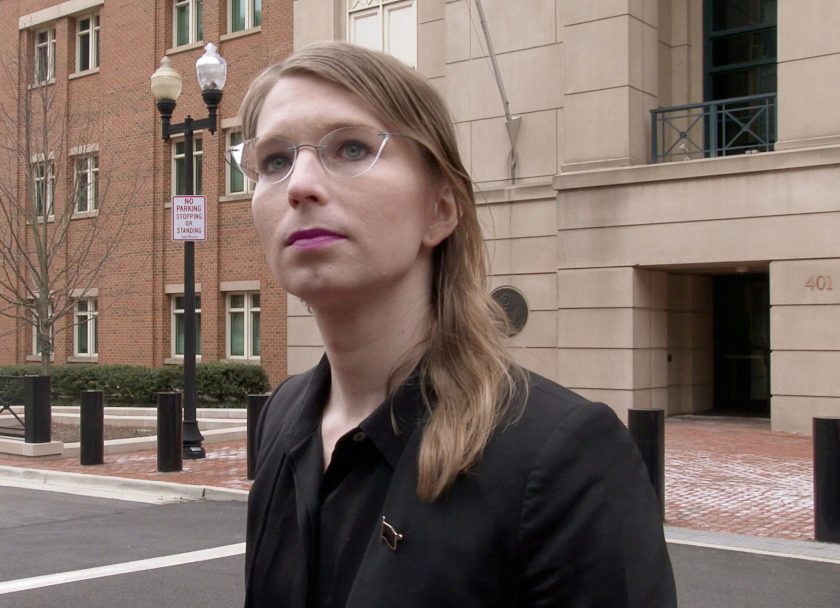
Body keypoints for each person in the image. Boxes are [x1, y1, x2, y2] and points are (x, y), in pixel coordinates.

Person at [234, 41, 677, 608]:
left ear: (441, 209)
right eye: (275, 160)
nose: (299, 184)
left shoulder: (564, 455)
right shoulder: (284, 415)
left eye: (349, 147)